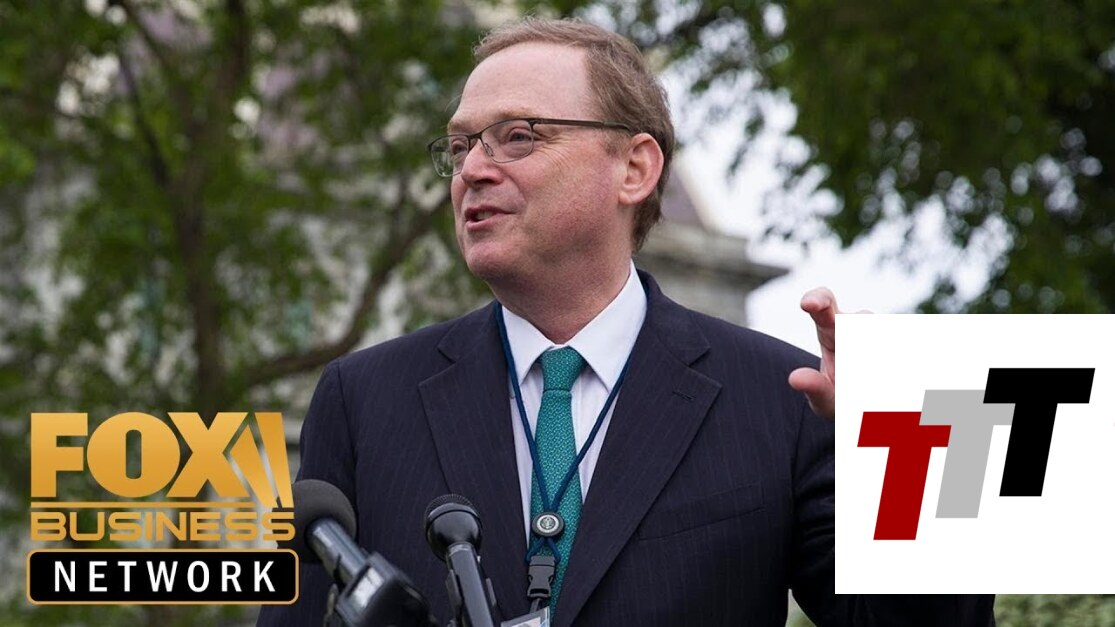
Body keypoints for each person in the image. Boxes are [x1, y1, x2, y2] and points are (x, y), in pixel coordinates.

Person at [259, 17, 993, 626]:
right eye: (459, 146)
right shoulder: (363, 400)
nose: (472, 170)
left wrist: (907, 456)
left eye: (518, 137)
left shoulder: (781, 397)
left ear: (635, 168)